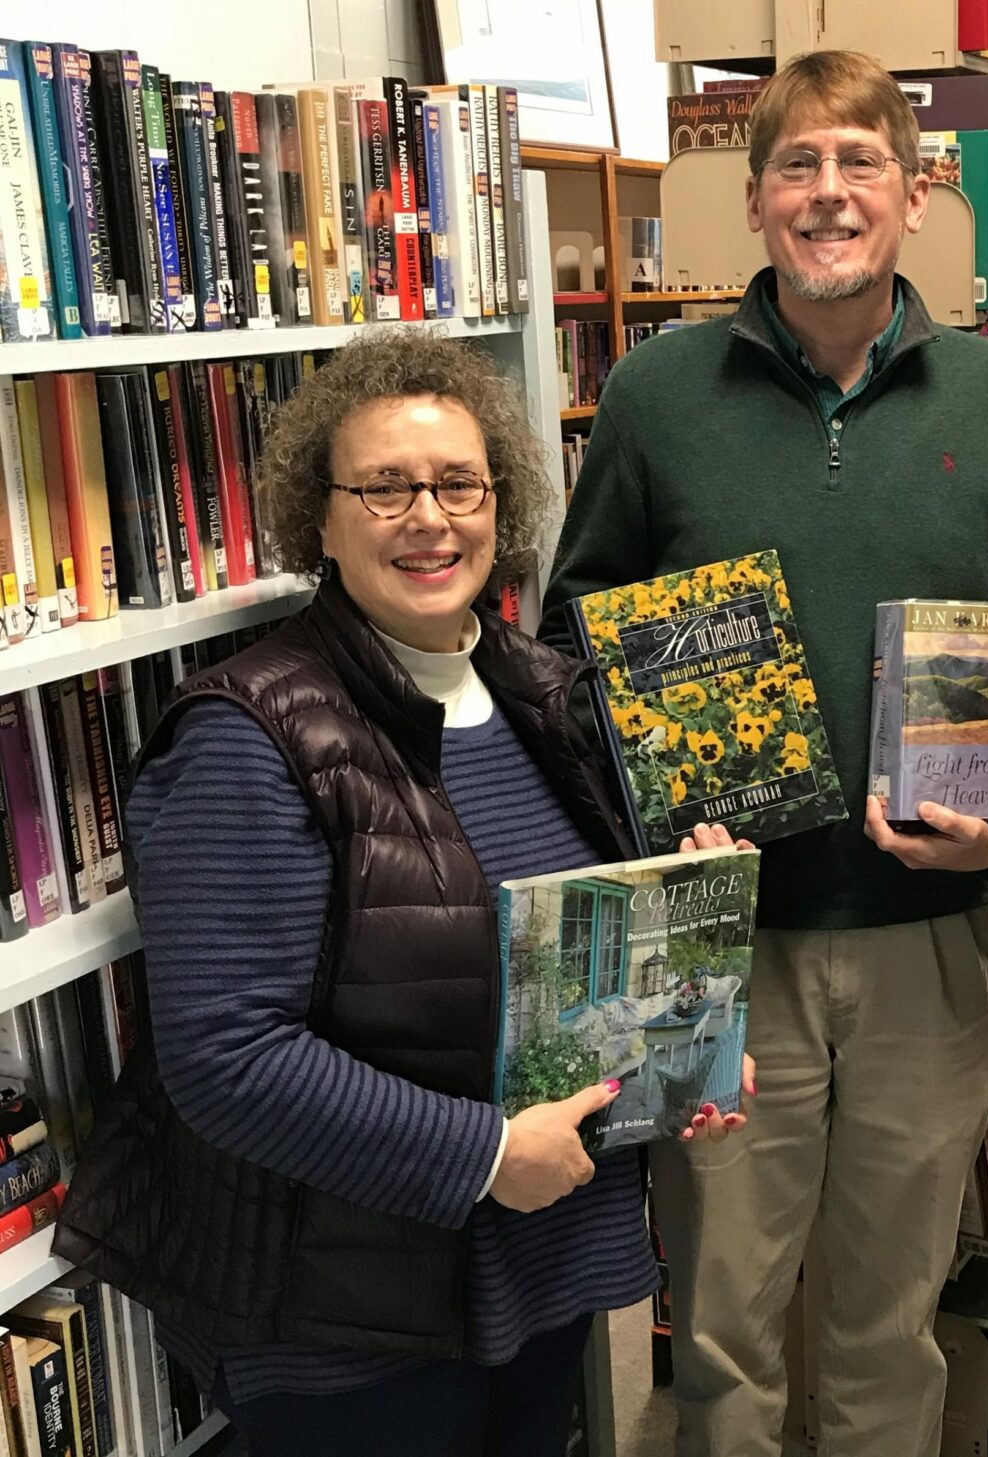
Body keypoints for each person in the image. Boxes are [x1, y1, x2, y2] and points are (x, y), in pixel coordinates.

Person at [539, 49, 988, 1457]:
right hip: (724, 939)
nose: (830, 194)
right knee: (722, 1309)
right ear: (755, 201)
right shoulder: (658, 394)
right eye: (800, 166)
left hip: (930, 934)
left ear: (917, 197)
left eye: (862, 163)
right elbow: (573, 641)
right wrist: (655, 800)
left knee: (889, 1308)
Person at [54, 330, 746, 1457]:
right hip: (349, 1307)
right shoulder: (247, 730)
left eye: (457, 482)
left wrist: (684, 1042)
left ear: (499, 502)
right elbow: (226, 1057)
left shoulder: (551, 692)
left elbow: (566, 965)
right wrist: (478, 1156)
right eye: (382, 487)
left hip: (536, 1258)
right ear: (316, 519)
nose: (429, 516)